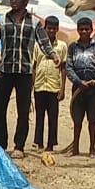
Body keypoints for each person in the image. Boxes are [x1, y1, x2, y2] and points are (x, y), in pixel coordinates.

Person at [0, 0, 60, 159]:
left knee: (23, 111)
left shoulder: (35, 22)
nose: (13, 1)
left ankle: (19, 146)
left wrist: (52, 55)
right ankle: (0, 145)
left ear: (24, 1)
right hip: (5, 70)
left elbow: (44, 41)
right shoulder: (2, 20)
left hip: (24, 72)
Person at [65, 17, 95, 158]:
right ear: (78, 30)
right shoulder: (72, 47)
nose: (84, 31)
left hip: (93, 89)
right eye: (81, 29)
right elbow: (69, 67)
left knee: (92, 120)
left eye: (86, 29)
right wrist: (78, 81)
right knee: (77, 120)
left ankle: (92, 149)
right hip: (78, 89)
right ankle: (75, 148)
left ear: (91, 30)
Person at [31, 16, 67, 152]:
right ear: (44, 29)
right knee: (39, 116)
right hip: (39, 85)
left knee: (53, 117)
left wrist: (63, 88)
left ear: (57, 29)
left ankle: (51, 144)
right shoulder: (37, 46)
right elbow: (34, 66)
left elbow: (63, 68)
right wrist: (32, 85)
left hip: (53, 86)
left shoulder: (62, 46)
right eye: (48, 28)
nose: (51, 30)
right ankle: (39, 143)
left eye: (54, 28)